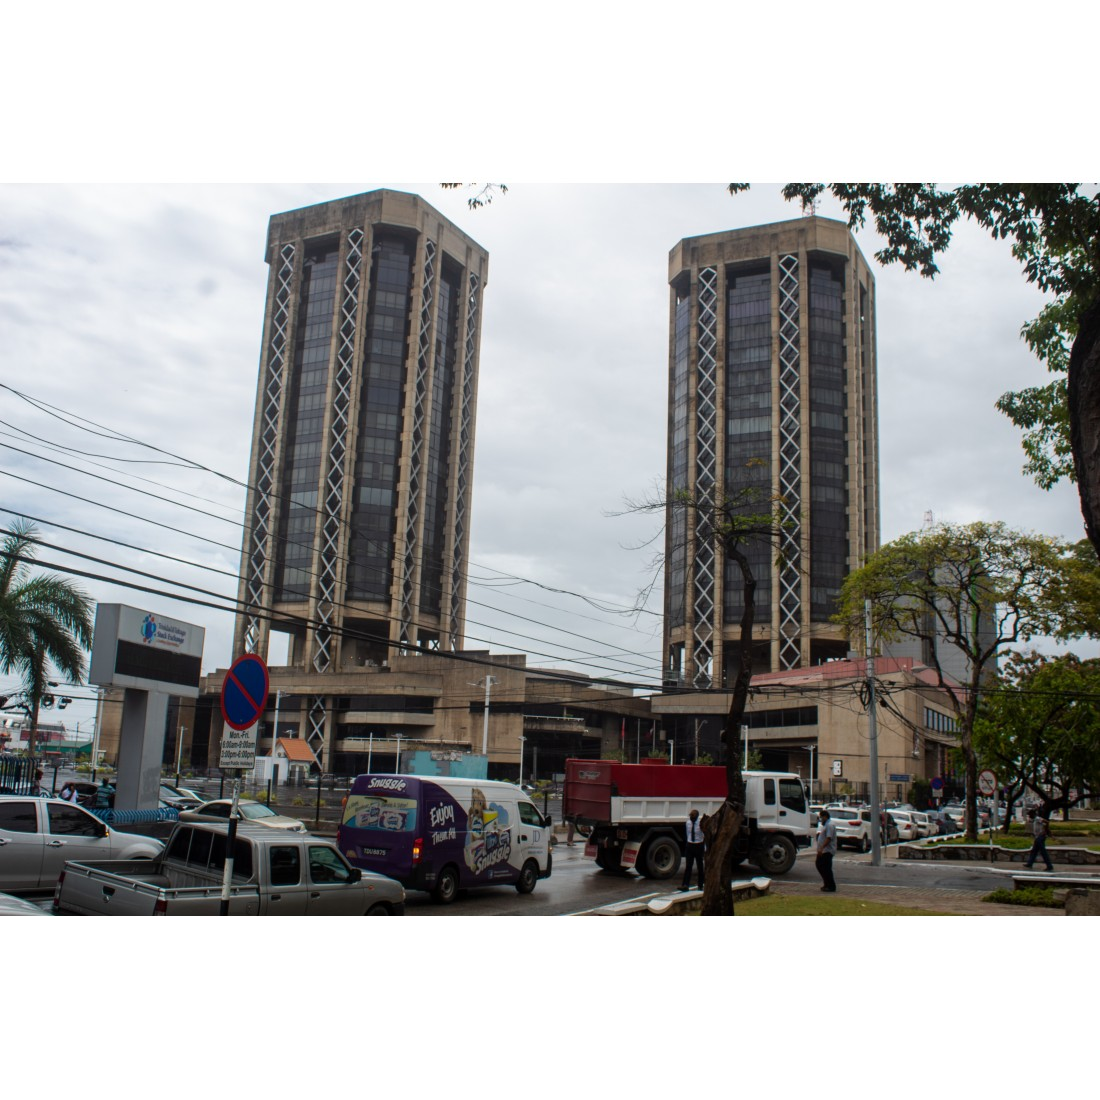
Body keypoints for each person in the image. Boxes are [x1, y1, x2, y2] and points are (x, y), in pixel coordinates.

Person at [680, 808, 705, 891]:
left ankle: (700, 885)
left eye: (693, 817)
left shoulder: (701, 824)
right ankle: (685, 885)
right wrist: (689, 842)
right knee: (688, 866)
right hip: (690, 845)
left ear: (697, 817)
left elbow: (704, 834)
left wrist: (704, 847)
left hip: (699, 845)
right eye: (691, 817)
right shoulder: (688, 823)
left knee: (700, 866)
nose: (691, 818)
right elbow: (688, 833)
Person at [815, 807, 837, 892]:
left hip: (827, 851)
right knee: (820, 865)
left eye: (821, 818)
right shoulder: (827, 825)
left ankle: (831, 886)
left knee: (826, 868)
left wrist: (821, 848)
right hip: (824, 851)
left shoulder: (830, 825)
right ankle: (826, 884)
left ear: (825, 817)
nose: (821, 820)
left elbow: (829, 838)